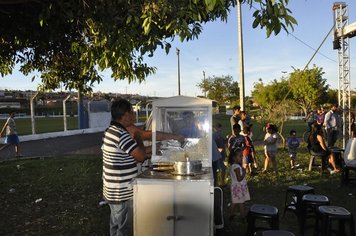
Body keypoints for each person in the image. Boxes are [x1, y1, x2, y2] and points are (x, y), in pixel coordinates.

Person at [101, 99, 147, 236]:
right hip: (122, 192)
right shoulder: (121, 134)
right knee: (124, 228)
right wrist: (139, 137)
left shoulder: (110, 130)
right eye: (132, 112)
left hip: (112, 189)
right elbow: (141, 156)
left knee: (116, 225)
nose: (133, 116)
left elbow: (126, 154)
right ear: (125, 115)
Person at [228, 148, 250, 221]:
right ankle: (243, 216)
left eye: (242, 156)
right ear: (234, 158)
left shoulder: (232, 166)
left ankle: (231, 214)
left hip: (235, 187)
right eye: (240, 156)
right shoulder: (236, 167)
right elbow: (239, 178)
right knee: (241, 201)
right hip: (239, 187)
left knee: (235, 201)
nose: (242, 158)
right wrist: (244, 171)